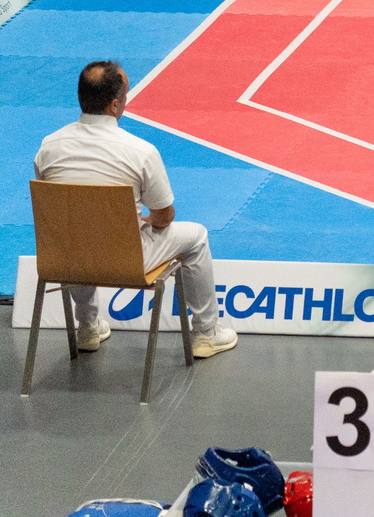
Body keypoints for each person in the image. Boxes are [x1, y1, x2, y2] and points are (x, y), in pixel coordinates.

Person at [31, 61, 236, 359]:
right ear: (115, 105)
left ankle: (87, 327)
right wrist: (143, 221)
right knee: (197, 237)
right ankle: (206, 334)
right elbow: (164, 217)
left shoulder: (48, 146)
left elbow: (60, 210)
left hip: (63, 259)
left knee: (76, 231)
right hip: (128, 262)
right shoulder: (140, 152)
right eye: (125, 95)